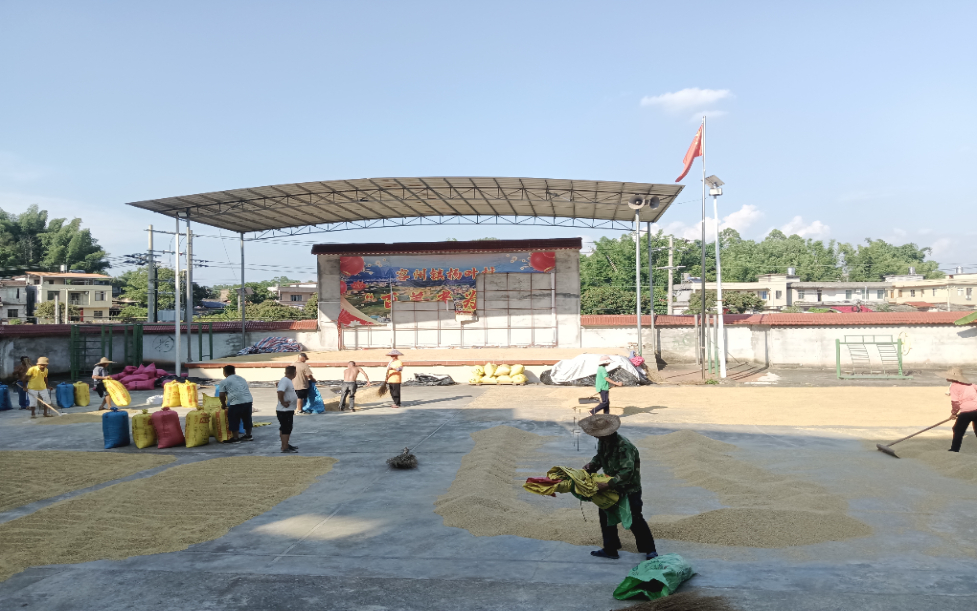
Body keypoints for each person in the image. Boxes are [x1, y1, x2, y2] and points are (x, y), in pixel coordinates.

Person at [580, 413, 659, 561]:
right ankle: (611, 548)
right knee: (606, 515)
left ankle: (650, 550)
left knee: (634, 518)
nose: (596, 437)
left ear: (608, 433)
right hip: (611, 487)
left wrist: (607, 484)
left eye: (599, 434)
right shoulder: (603, 442)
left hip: (629, 488)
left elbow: (626, 472)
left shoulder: (624, 446)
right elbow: (600, 457)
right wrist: (592, 466)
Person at [945, 366, 977, 452]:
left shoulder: (954, 386)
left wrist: (954, 413)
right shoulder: (970, 384)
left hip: (966, 412)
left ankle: (954, 450)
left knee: (957, 430)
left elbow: (955, 403)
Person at [220, 365, 254, 443]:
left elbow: (222, 395)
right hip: (248, 400)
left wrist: (223, 405)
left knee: (233, 419)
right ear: (234, 371)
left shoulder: (224, 381)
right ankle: (248, 435)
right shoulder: (242, 379)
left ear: (224, 372)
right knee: (247, 418)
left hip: (236, 402)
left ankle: (235, 438)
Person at [276, 366, 300, 453]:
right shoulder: (285, 380)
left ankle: (285, 444)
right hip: (284, 410)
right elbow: (280, 391)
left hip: (287, 410)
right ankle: (285, 447)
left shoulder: (287, 381)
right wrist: (283, 402)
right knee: (286, 428)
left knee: (285, 428)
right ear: (294, 373)